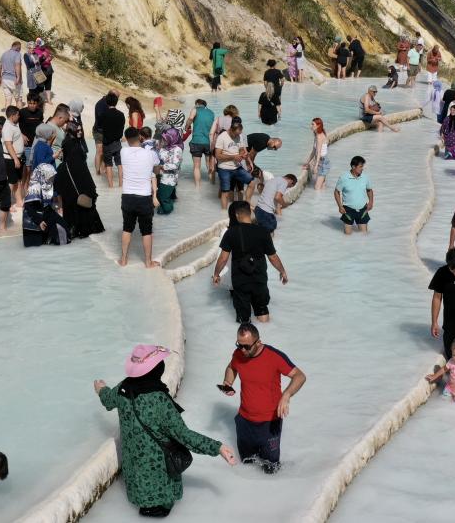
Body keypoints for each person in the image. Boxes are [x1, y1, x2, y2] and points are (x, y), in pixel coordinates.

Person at [95, 345, 238, 518]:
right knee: (161, 505)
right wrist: (217, 447)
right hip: (158, 474)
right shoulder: (159, 400)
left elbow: (108, 401)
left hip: (134, 473)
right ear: (155, 371)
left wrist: (101, 389)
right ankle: (159, 509)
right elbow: (184, 435)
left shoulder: (124, 388)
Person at [219, 323, 307, 474]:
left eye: (246, 346)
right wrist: (228, 382)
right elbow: (232, 367)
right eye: (239, 345)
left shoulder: (274, 356)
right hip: (244, 421)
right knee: (247, 465)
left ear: (258, 342)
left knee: (271, 470)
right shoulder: (239, 354)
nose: (242, 350)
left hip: (269, 423)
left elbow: (300, 376)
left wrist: (286, 395)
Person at [213, 201, 290, 322]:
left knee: (243, 319)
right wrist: (282, 271)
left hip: (241, 280)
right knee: (262, 311)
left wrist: (216, 274)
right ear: (250, 213)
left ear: (237, 215)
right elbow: (273, 257)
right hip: (259, 278)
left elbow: (223, 258)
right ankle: (267, 332)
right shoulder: (263, 232)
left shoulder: (231, 233)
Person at [119, 127, 161, 267]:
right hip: (144, 196)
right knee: (147, 230)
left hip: (127, 196)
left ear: (127, 139)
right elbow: (156, 170)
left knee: (127, 228)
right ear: (140, 137)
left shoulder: (123, 151)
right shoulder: (150, 154)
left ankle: (124, 259)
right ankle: (148, 262)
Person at [55, 120, 105, 238]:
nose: (80, 132)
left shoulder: (73, 141)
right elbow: (73, 163)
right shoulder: (70, 143)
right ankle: (80, 230)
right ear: (71, 130)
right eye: (77, 130)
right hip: (74, 177)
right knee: (79, 203)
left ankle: (79, 230)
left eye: (80, 130)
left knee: (78, 204)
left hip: (75, 176)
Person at [22, 163, 70, 246]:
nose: (53, 178)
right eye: (50, 176)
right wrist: (39, 222)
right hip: (36, 218)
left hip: (46, 213)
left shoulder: (46, 184)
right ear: (43, 175)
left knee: (64, 230)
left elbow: (48, 204)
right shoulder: (35, 188)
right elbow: (29, 208)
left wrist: (57, 208)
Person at [215, 119, 254, 209]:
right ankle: (223, 213)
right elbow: (218, 156)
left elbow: (240, 149)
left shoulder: (239, 136)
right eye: (236, 134)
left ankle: (247, 203)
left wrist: (243, 155)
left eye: (239, 134)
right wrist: (233, 157)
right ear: (231, 130)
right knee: (225, 192)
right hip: (224, 168)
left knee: (252, 182)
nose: (237, 136)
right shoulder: (222, 137)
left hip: (237, 167)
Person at [334, 155, 373, 235]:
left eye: (363, 166)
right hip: (348, 210)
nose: (362, 168)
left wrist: (371, 202)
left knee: (364, 236)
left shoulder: (365, 177)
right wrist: (340, 206)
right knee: (347, 236)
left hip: (362, 209)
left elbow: (369, 190)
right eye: (360, 166)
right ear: (353, 167)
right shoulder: (343, 178)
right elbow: (336, 192)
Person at [185, 98, 216, 186]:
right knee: (209, 165)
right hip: (208, 142)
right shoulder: (211, 112)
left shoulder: (195, 109)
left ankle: (197, 188)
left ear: (197, 104)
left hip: (197, 141)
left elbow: (190, 118)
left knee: (197, 166)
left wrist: (186, 126)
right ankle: (212, 184)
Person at [99, 95, 127, 187]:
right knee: (119, 164)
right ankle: (121, 184)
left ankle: (111, 186)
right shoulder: (121, 114)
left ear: (107, 102)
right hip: (117, 142)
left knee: (109, 164)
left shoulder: (104, 114)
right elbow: (122, 128)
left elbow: (100, 128)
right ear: (116, 102)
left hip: (107, 143)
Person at [156, 127, 184, 215]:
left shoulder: (177, 150)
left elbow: (175, 165)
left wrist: (162, 166)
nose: (164, 139)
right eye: (164, 138)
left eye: (166, 138)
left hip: (169, 179)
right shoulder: (164, 147)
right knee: (160, 197)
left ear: (172, 138)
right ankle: (164, 214)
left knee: (163, 199)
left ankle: (169, 212)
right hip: (160, 176)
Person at [92, 89, 118, 174]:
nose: (117, 100)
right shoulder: (101, 104)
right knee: (99, 151)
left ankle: (103, 170)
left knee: (104, 151)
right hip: (99, 131)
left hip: (105, 131)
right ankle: (97, 172)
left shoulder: (109, 103)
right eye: (116, 97)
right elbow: (101, 118)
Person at [305, 117, 329, 190]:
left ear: (318, 125)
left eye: (313, 124)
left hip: (323, 162)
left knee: (317, 188)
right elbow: (313, 151)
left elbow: (318, 152)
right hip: (322, 161)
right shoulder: (316, 135)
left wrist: (315, 166)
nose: (311, 126)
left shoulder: (319, 136)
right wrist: (307, 163)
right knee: (322, 187)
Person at [0, 41, 23, 106]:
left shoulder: (4, 54)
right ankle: (20, 115)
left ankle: (7, 115)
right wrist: (18, 77)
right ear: (18, 47)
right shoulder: (17, 54)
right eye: (20, 48)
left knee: (8, 99)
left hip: (4, 79)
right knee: (18, 100)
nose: (20, 50)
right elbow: (17, 65)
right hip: (13, 79)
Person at [31, 37, 55, 103]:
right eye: (42, 45)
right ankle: (35, 98)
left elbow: (50, 56)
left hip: (49, 69)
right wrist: (43, 58)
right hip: (41, 70)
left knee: (48, 84)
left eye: (44, 45)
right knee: (39, 86)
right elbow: (36, 62)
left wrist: (50, 58)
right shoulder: (35, 51)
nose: (43, 46)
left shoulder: (46, 50)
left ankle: (49, 100)